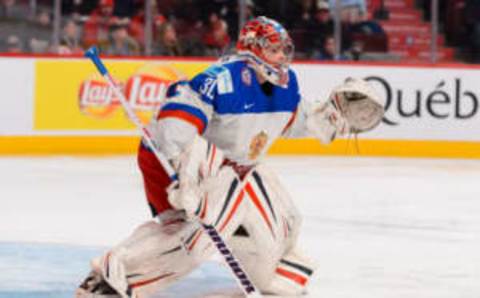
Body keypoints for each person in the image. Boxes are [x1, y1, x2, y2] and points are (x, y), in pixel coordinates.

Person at [76, 16, 384, 297]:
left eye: (284, 49)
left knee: (284, 221)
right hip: (178, 167)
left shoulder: (286, 85)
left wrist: (331, 116)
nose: (282, 57)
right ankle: (111, 280)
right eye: (274, 50)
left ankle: (274, 281)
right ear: (252, 50)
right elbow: (174, 126)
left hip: (235, 172)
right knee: (197, 236)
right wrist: (184, 171)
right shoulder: (221, 80)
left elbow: (295, 118)